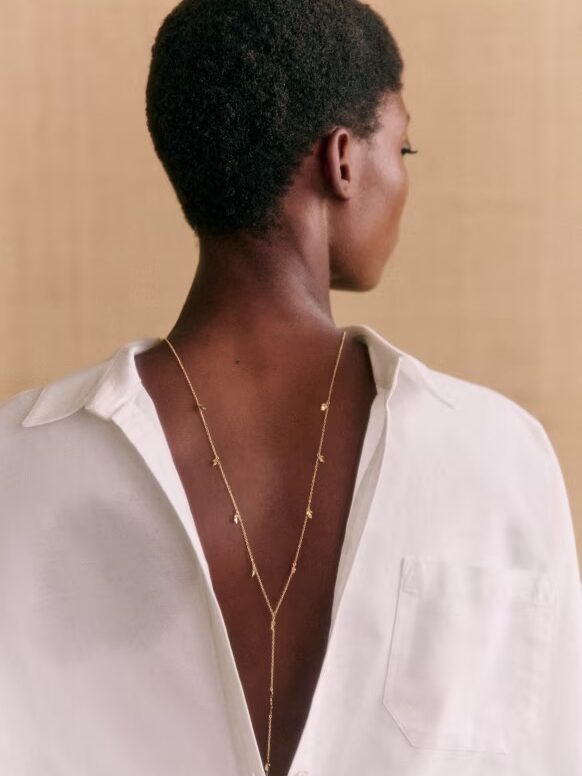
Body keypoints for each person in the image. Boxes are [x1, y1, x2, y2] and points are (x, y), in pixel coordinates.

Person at [1, 0, 581, 774]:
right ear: (342, 160)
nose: (403, 175)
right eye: (401, 145)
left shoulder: (17, 466)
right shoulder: (499, 455)